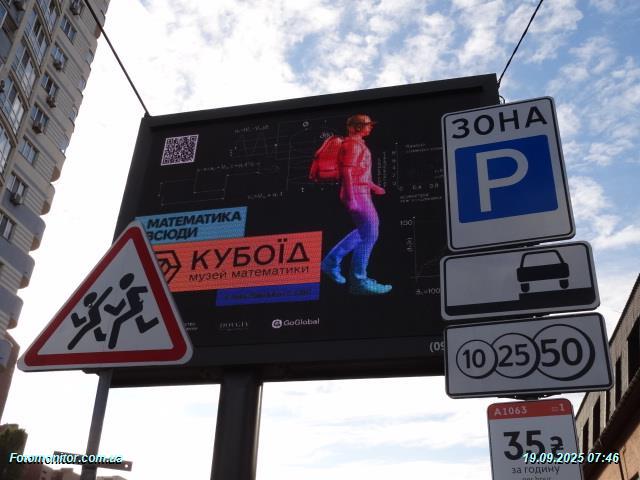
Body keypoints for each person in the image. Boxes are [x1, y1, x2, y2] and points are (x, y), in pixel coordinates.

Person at [321, 114, 392, 295]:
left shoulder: (358, 144)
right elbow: (347, 172)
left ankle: (330, 263)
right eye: (367, 125)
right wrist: (351, 197)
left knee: (364, 232)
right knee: (370, 234)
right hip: (356, 194)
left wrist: (373, 186)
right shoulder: (353, 145)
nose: (370, 127)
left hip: (361, 191)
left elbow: (360, 172)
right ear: (357, 127)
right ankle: (359, 281)